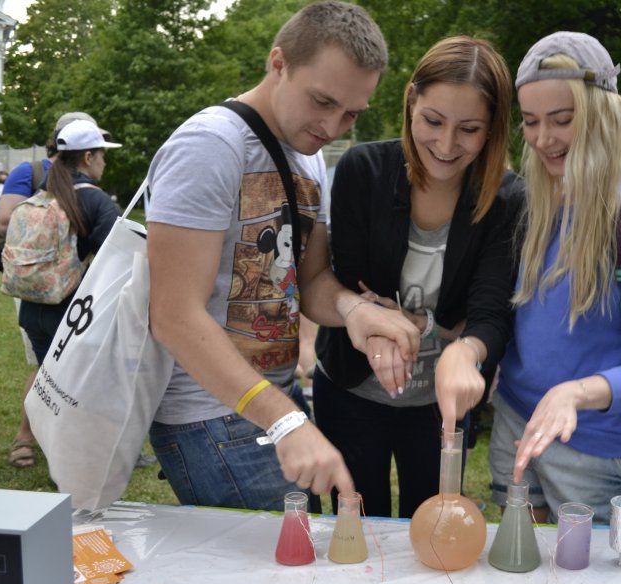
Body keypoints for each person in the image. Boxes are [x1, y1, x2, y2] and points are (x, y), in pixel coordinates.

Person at [145, 1, 419, 512]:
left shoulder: (307, 155)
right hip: (209, 414)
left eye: (351, 114)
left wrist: (356, 311)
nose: (333, 125)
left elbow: (309, 280)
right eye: (322, 101)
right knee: (285, 581)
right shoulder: (210, 146)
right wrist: (285, 418)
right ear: (279, 63)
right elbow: (173, 316)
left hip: (268, 399)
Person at [312, 35, 523, 518]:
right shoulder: (362, 171)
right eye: (432, 121)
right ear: (411, 103)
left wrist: (461, 346)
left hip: (439, 407)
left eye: (469, 129)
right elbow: (345, 284)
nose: (446, 146)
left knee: (428, 529)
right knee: (356, 524)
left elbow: (490, 315)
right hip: (349, 386)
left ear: (492, 130)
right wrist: (376, 322)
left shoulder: (508, 200)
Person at [489, 31, 621, 524]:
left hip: (593, 448)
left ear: (601, 116)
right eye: (531, 122)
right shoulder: (537, 195)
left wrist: (575, 392)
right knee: (518, 576)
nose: (542, 139)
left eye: (562, 120)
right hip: (515, 420)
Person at [0, 111, 108, 468]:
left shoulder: (42, 194)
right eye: (102, 153)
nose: (105, 160)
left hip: (32, 308)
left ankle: (39, 445)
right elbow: (117, 256)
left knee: (49, 378)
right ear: (88, 157)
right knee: (75, 387)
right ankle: (70, 463)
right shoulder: (93, 199)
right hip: (72, 311)